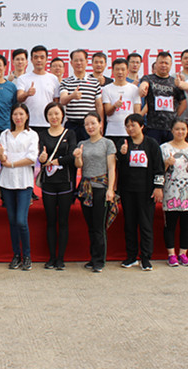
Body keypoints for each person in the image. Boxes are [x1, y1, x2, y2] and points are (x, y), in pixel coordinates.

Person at [116, 114, 164, 271]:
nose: (130, 129)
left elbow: (158, 167)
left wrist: (158, 187)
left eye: (133, 125)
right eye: (127, 126)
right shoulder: (123, 143)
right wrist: (122, 154)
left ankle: (146, 257)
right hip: (128, 190)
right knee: (129, 224)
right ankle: (131, 256)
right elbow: (118, 166)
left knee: (145, 224)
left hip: (146, 191)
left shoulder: (151, 144)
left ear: (142, 126)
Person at [0, 104, 38, 271]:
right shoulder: (5, 134)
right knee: (12, 220)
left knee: (21, 220)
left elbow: (31, 158)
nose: (18, 117)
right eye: (15, 114)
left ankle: (27, 255)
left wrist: (12, 163)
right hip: (7, 182)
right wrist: (1, 156)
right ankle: (16, 255)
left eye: (21, 114)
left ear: (27, 116)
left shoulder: (32, 134)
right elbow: (2, 156)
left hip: (24, 182)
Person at [74, 112, 116, 273]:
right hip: (86, 188)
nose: (90, 127)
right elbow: (79, 165)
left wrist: (110, 189)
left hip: (101, 188)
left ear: (100, 124)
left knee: (99, 226)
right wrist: (78, 156)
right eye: (87, 124)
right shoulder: (82, 144)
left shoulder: (107, 143)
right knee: (90, 226)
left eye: (93, 123)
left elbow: (111, 168)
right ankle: (93, 258)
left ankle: (100, 260)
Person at [160, 120, 188, 267]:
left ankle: (183, 254)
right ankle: (171, 254)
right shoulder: (164, 148)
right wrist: (167, 163)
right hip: (171, 192)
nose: (180, 132)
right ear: (172, 130)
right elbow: (158, 170)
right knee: (170, 224)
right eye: (177, 129)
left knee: (187, 225)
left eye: (183, 129)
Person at [38, 102, 76, 270]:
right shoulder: (42, 135)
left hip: (65, 182)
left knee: (63, 221)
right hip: (48, 183)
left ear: (62, 115)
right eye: (50, 114)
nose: (54, 117)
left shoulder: (70, 133)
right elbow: (40, 156)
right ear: (46, 117)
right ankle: (52, 257)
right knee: (51, 221)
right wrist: (42, 158)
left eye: (57, 113)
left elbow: (72, 156)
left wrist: (57, 161)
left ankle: (61, 258)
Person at [138, 51, 186, 144]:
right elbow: (143, 85)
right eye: (161, 62)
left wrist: (174, 116)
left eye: (166, 63)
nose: (163, 65)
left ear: (171, 65)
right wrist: (142, 89)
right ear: (156, 64)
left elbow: (183, 103)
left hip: (171, 128)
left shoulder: (174, 82)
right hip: (153, 127)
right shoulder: (149, 78)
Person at [16, 45, 61, 138]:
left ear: (46, 59)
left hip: (49, 123)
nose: (39, 60)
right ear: (31, 60)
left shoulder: (53, 79)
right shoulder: (23, 78)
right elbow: (19, 98)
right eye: (36, 57)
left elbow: (56, 102)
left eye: (42, 57)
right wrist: (27, 94)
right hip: (29, 123)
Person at [59, 49, 103, 143]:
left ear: (87, 62)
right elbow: (62, 100)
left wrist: (101, 123)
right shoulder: (65, 82)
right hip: (72, 124)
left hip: (90, 125)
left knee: (90, 149)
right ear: (71, 63)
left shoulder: (94, 82)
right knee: (71, 149)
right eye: (76, 60)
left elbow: (99, 105)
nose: (79, 63)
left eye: (81, 60)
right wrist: (72, 96)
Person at [102, 58, 141, 147]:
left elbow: (137, 113)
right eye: (117, 69)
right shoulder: (107, 89)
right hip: (112, 132)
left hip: (130, 132)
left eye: (123, 69)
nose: (120, 72)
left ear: (127, 71)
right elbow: (107, 112)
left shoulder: (134, 89)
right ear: (112, 71)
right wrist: (115, 106)